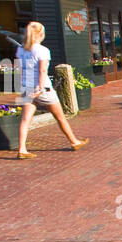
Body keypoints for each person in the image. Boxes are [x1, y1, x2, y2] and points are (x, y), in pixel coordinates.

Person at [16, 21, 88, 159]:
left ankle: (22, 149)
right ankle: (74, 141)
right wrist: (40, 89)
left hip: (26, 87)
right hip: (43, 89)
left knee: (25, 120)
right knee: (60, 117)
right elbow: (43, 71)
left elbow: (20, 70)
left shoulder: (20, 49)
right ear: (41, 34)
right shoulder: (43, 50)